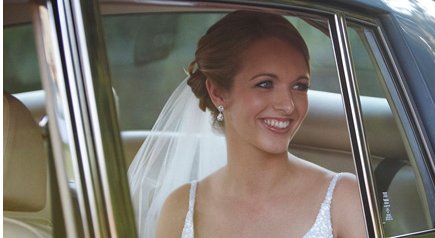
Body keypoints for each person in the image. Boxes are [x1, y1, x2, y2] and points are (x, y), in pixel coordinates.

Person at [127, 10, 366, 238]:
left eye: (299, 86)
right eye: (265, 84)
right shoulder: (180, 207)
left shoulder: (343, 198)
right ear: (218, 92)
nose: (288, 106)